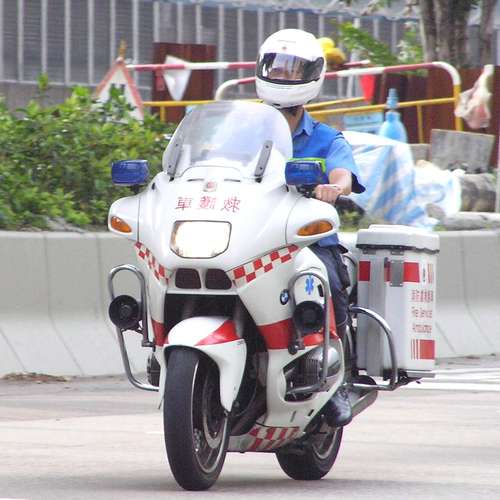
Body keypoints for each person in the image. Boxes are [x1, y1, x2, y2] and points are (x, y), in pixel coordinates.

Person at [255, 28, 366, 427]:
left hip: (308, 241)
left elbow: (343, 174)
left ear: (312, 75)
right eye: (277, 67)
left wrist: (335, 187)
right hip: (253, 239)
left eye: (293, 69)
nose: (283, 76)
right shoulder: (245, 128)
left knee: (328, 284)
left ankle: (338, 385)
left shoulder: (325, 137)